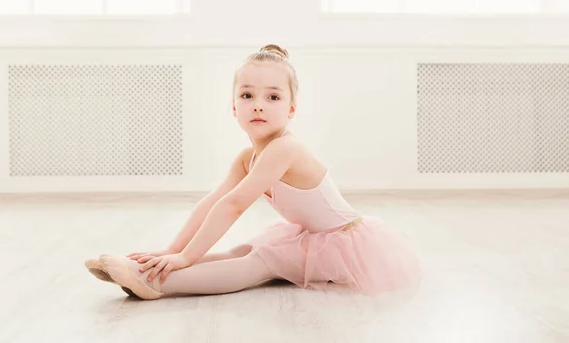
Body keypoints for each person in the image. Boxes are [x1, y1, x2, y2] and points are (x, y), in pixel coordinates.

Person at [85, 44, 423, 300]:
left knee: (258, 263)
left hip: (342, 245)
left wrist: (186, 257)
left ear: (291, 109)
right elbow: (213, 202)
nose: (258, 104)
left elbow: (234, 206)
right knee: (242, 250)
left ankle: (156, 284)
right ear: (234, 107)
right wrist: (170, 250)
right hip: (311, 236)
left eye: (273, 97)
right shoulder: (248, 157)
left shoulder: (284, 150)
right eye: (247, 95)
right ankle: (148, 269)